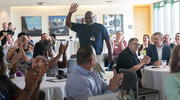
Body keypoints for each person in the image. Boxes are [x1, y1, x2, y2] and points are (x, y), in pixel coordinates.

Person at [66, 3, 113, 79]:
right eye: (86, 18)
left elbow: (108, 41)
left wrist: (110, 55)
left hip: (97, 56)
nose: (88, 20)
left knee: (101, 77)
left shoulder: (100, 27)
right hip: (84, 57)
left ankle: (102, 90)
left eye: (89, 18)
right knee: (85, 77)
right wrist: (70, 12)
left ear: (93, 18)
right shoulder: (81, 27)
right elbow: (68, 24)